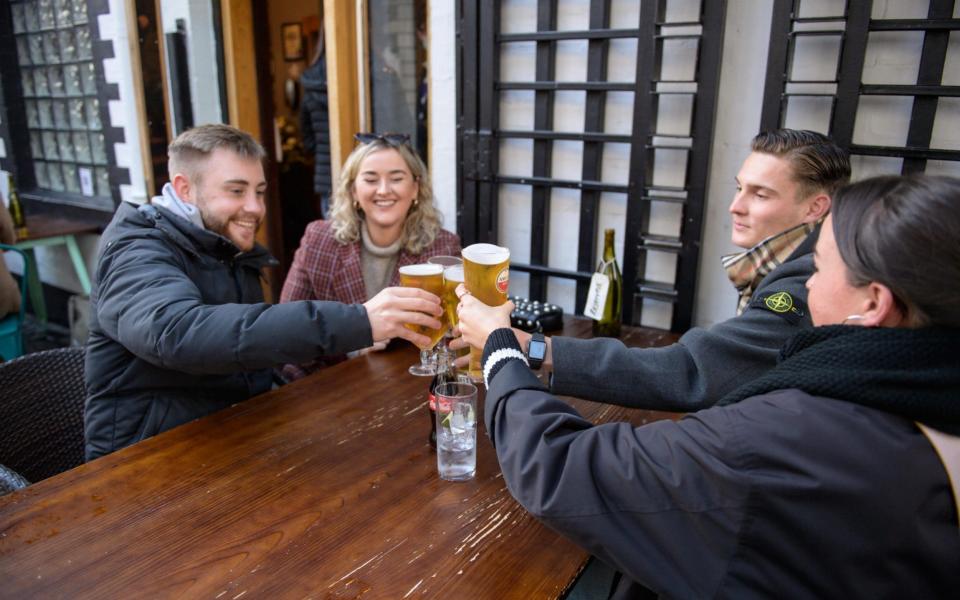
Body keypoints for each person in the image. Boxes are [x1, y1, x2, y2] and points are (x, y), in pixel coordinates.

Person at [457, 173, 960, 596]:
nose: (806, 282)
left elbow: (563, 467)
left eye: (821, 266)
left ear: (874, 302)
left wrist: (503, 347)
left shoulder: (795, 435)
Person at [84, 124, 442, 460]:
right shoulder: (136, 248)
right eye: (236, 191)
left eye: (258, 192)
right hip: (142, 464)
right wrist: (360, 322)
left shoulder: (224, 246)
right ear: (184, 189)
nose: (255, 208)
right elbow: (178, 332)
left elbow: (252, 355)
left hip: (231, 439)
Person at [458, 129, 851, 412]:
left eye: (760, 194)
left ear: (815, 208)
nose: (736, 206)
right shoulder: (799, 261)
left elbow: (691, 372)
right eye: (739, 188)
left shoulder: (809, 281)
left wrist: (526, 346)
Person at [279, 133, 460, 380]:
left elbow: (450, 335)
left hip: (408, 385)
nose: (384, 190)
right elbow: (288, 331)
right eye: (371, 179)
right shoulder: (319, 240)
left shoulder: (442, 246)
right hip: (330, 385)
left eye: (396, 178)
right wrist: (352, 343)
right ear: (353, 190)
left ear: (416, 188)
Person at [299, 32, 333, 217]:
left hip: (325, 175)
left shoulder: (311, 84)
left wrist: (320, 150)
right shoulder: (359, 71)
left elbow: (306, 136)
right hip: (363, 173)